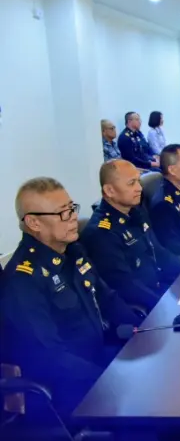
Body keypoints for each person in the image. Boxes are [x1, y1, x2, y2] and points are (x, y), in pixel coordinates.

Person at [0, 177, 140, 414]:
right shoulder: (23, 280)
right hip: (67, 390)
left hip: (98, 358)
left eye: (72, 208)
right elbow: (50, 358)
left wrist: (144, 331)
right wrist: (108, 380)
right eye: (63, 213)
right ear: (34, 222)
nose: (73, 217)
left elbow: (107, 297)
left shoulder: (72, 251)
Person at [81, 160, 180, 311]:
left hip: (162, 287)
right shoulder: (101, 233)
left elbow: (159, 252)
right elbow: (126, 286)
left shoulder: (134, 212)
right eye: (131, 183)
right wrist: (165, 305)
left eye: (138, 181)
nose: (139, 188)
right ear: (109, 191)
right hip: (148, 303)